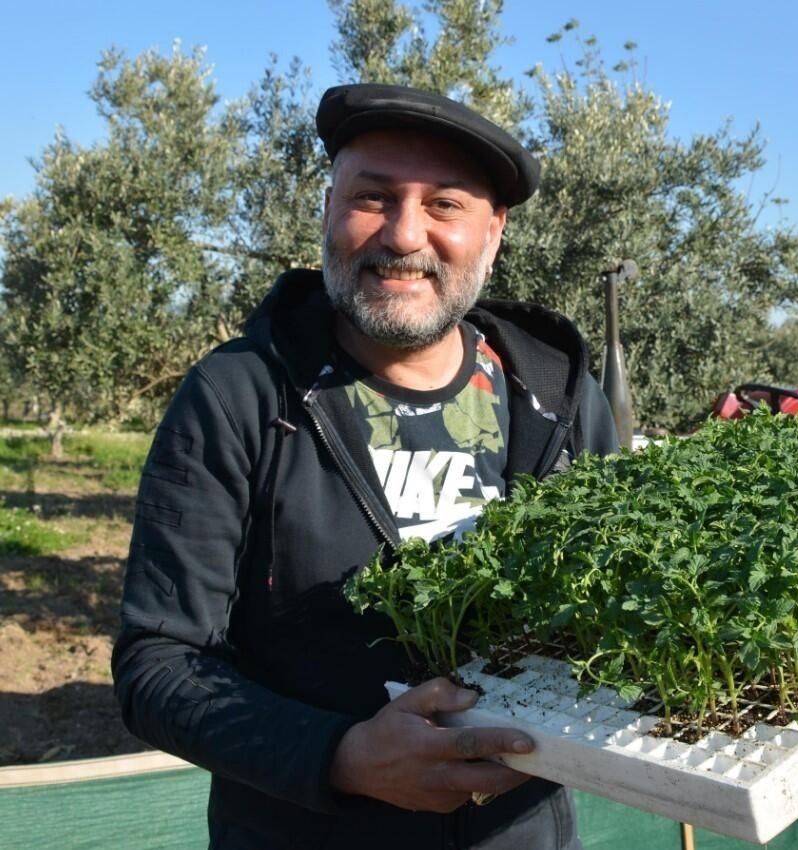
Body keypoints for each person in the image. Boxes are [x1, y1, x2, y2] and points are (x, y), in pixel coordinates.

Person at [112, 83, 618, 849]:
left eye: (444, 204)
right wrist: (341, 757)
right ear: (328, 210)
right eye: (374, 197)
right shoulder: (241, 396)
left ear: (495, 230)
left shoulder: (557, 400)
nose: (404, 235)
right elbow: (159, 664)